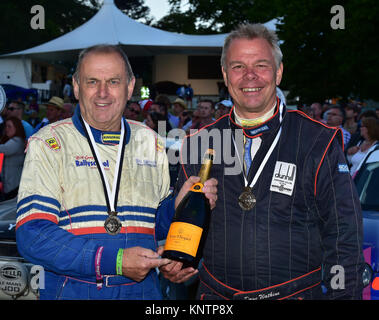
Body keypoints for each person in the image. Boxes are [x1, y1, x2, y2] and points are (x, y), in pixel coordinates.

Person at [160, 23, 364, 300]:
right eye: (238, 66)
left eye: (261, 65)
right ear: (225, 75)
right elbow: (187, 223)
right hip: (216, 297)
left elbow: (343, 236)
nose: (250, 76)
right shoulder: (199, 143)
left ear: (278, 72)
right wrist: (180, 264)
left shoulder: (319, 140)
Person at [15, 44, 217, 300]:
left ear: (129, 87)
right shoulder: (49, 143)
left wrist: (178, 206)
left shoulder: (150, 141)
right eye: (92, 82)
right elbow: (33, 234)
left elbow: (153, 229)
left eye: (113, 81)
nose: (102, 93)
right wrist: (116, 260)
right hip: (74, 291)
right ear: (76, 86)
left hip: (143, 293)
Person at [0, 117, 26, 201]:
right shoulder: (12, 140)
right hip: (9, 185)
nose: (6, 129)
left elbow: (5, 149)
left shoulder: (17, 141)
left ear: (17, 128)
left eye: (9, 126)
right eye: (6, 126)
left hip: (14, 186)